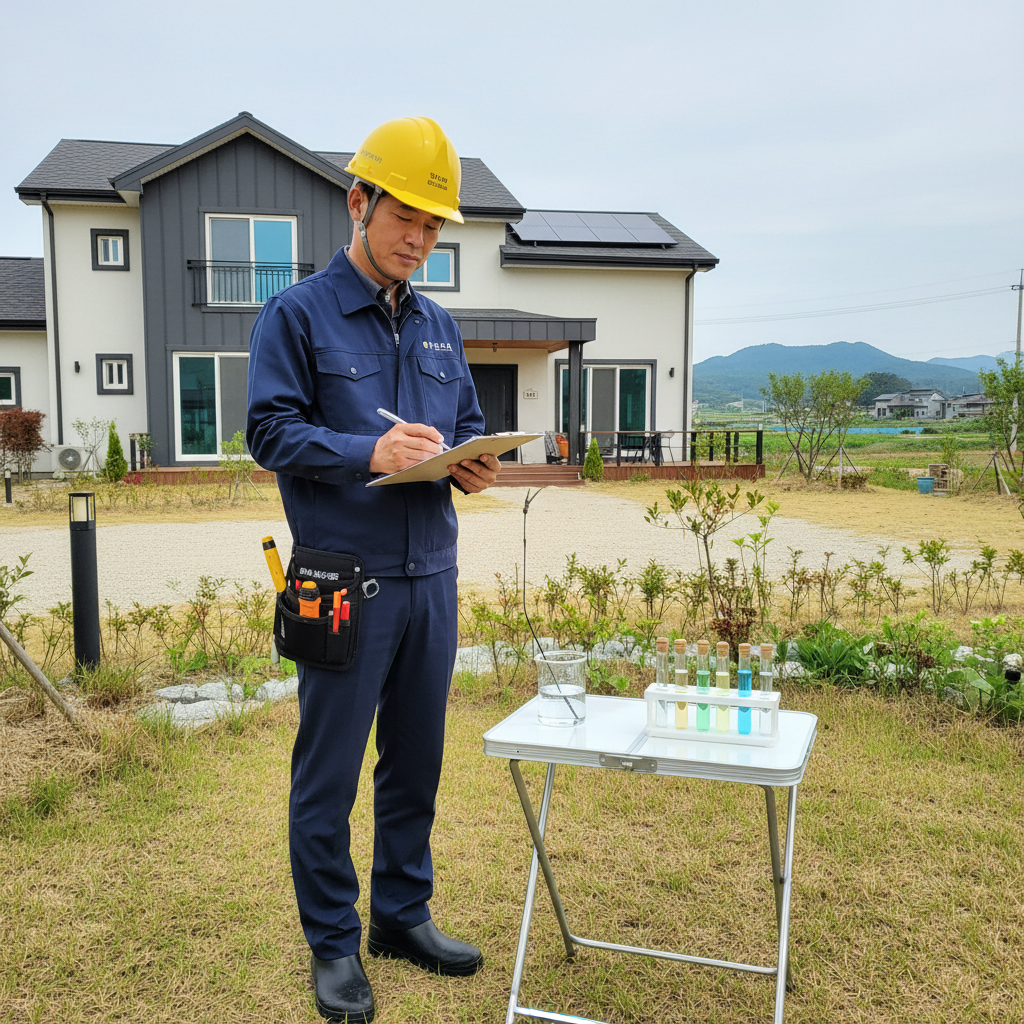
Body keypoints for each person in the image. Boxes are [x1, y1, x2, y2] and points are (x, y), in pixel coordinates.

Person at [246, 116, 500, 1024]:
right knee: (329, 773)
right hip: (338, 582)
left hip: (431, 574)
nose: (420, 241)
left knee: (416, 765)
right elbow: (268, 432)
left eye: (434, 228)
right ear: (359, 203)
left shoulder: (439, 326)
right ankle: (332, 945)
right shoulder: (297, 314)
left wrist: (472, 464)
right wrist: (370, 451)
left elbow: (463, 421)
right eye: (406, 218)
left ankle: (401, 916)